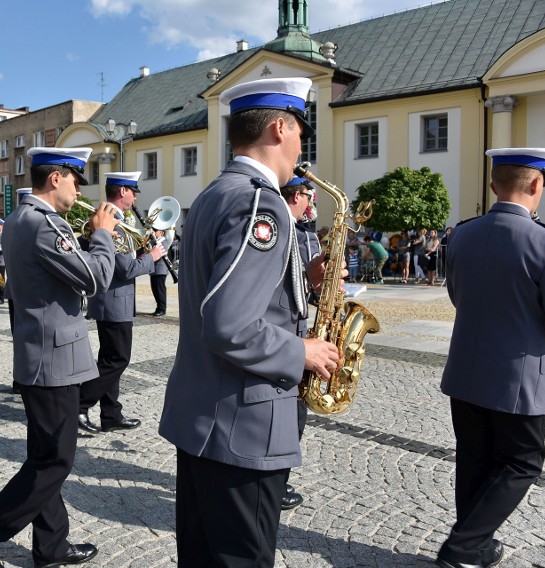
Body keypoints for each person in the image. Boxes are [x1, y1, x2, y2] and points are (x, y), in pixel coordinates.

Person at [158, 78, 341, 567]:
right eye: (302, 129)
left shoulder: (218, 192)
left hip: (204, 416)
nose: (303, 142)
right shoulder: (262, 203)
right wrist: (302, 351)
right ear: (280, 127)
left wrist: (303, 278)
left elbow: (233, 293)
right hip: (243, 423)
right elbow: (230, 325)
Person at [0, 147, 118, 568]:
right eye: (76, 179)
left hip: (43, 355)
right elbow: (95, 278)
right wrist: (101, 234)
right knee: (54, 461)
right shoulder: (45, 224)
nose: (79, 189)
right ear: (57, 177)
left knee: (45, 457)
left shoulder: (21, 219)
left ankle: (51, 546)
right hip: (52, 363)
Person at [436, 147, 545, 568]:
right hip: (520, 378)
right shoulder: (542, 241)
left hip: (466, 370)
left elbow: (455, 294)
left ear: (492, 184)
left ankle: (475, 546)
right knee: (522, 461)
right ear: (537, 184)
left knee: (475, 458)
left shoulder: (462, 233)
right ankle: (463, 548)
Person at [78, 171, 165, 435]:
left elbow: (122, 260)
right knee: (118, 359)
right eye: (133, 191)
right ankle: (79, 404)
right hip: (113, 302)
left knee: (109, 357)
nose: (136, 196)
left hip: (114, 301)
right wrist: (152, 256)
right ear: (123, 191)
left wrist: (142, 250)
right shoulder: (109, 220)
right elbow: (124, 270)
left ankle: (111, 414)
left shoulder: (117, 219)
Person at [278, 176, 322, 511]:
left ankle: (277, 477)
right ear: (297, 196)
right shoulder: (282, 228)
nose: (313, 203)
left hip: (300, 328)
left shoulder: (303, 232)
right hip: (287, 335)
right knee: (292, 411)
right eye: (309, 196)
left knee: (296, 410)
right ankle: (275, 481)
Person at [149, 229, 168, 317]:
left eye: (155, 230)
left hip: (160, 269)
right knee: (155, 289)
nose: (153, 232)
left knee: (160, 290)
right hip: (154, 270)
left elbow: (161, 254)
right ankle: (158, 307)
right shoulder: (154, 241)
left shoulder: (163, 241)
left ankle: (162, 309)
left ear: (161, 233)